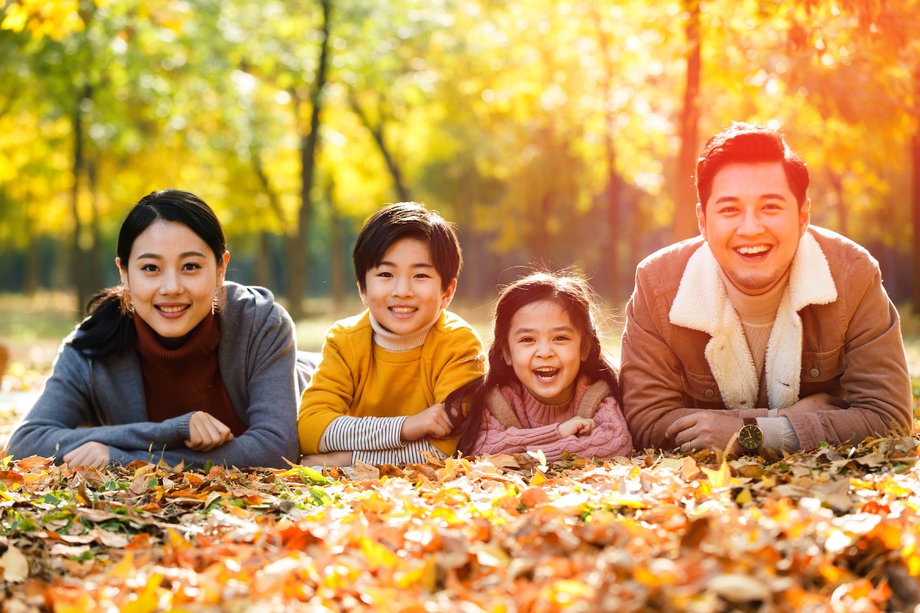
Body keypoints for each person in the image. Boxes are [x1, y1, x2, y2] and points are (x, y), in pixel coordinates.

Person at [620, 122, 912, 455]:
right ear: (703, 220)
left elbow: (890, 417)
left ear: (803, 216)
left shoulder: (852, 274)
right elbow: (645, 421)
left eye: (770, 207)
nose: (750, 228)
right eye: (729, 209)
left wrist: (761, 433)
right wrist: (781, 418)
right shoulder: (657, 284)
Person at [6, 189, 312, 468]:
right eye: (150, 268)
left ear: (220, 269)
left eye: (190, 267)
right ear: (124, 274)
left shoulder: (262, 324)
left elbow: (276, 448)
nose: (171, 287)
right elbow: (26, 443)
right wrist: (171, 431)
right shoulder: (91, 347)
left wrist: (123, 458)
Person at [298, 203, 483, 466]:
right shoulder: (344, 340)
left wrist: (343, 460)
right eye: (386, 274)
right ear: (362, 287)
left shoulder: (458, 344)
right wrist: (405, 427)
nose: (402, 290)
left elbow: (447, 449)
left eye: (420, 275)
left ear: (447, 292)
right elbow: (309, 427)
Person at [445, 271, 633, 462]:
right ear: (507, 353)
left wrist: (526, 456)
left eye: (560, 338)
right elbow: (483, 447)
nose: (544, 352)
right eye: (528, 339)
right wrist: (557, 433)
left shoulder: (593, 396)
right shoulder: (502, 401)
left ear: (584, 348)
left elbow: (615, 443)